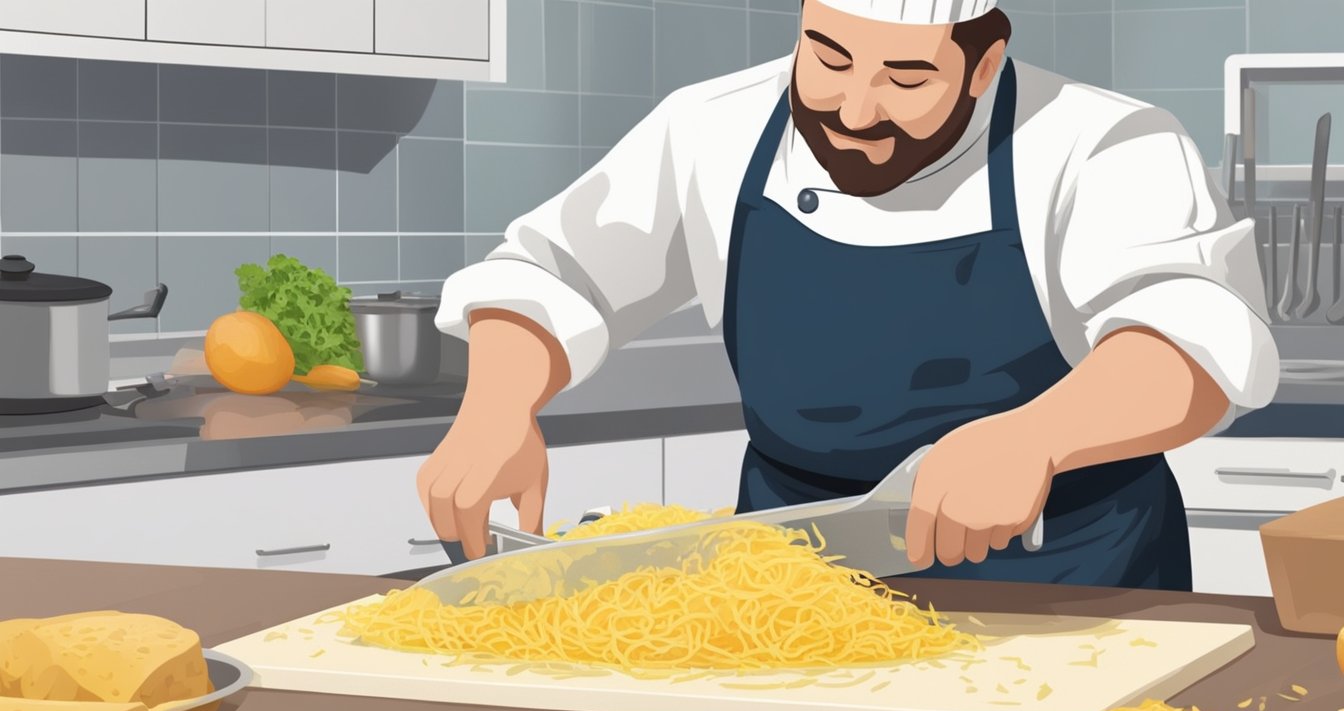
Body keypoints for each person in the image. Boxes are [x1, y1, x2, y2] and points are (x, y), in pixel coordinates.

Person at [416, 0, 1278, 589]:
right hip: (792, 579)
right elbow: (552, 271)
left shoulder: (1103, 144)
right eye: (826, 57)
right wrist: (497, 407)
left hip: (1067, 585)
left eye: (906, 78)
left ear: (983, 65)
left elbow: (1189, 339)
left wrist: (1036, 438)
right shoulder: (711, 127)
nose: (856, 108)